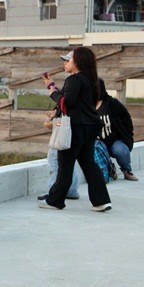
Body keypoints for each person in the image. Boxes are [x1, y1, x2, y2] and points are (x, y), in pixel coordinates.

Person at [40, 48, 111, 211]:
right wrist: (52, 86)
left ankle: (55, 201)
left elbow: (68, 103)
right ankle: (101, 201)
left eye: (68, 60)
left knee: (65, 165)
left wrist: (52, 93)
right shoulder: (93, 80)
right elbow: (77, 102)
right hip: (90, 127)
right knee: (89, 164)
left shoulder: (74, 80)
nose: (65, 63)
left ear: (77, 62)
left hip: (75, 128)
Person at [97, 79, 138, 181]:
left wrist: (128, 133)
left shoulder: (111, 103)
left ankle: (127, 171)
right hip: (98, 142)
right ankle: (108, 170)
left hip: (115, 140)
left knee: (121, 150)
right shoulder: (87, 106)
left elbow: (126, 117)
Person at [39, 108, 82, 201]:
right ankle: (71, 190)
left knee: (53, 161)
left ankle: (52, 191)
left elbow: (61, 120)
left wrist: (54, 117)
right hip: (76, 128)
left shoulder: (66, 96)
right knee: (70, 162)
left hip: (64, 130)